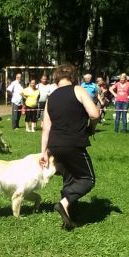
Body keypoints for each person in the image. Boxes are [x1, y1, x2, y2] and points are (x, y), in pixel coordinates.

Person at [40, 63, 100, 229]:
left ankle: (71, 214)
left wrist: (43, 152)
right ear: (73, 77)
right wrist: (91, 128)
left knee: (69, 178)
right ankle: (64, 203)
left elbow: (46, 127)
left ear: (57, 78)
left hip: (55, 145)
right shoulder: (78, 90)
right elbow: (94, 114)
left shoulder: (50, 98)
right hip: (73, 143)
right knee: (87, 179)